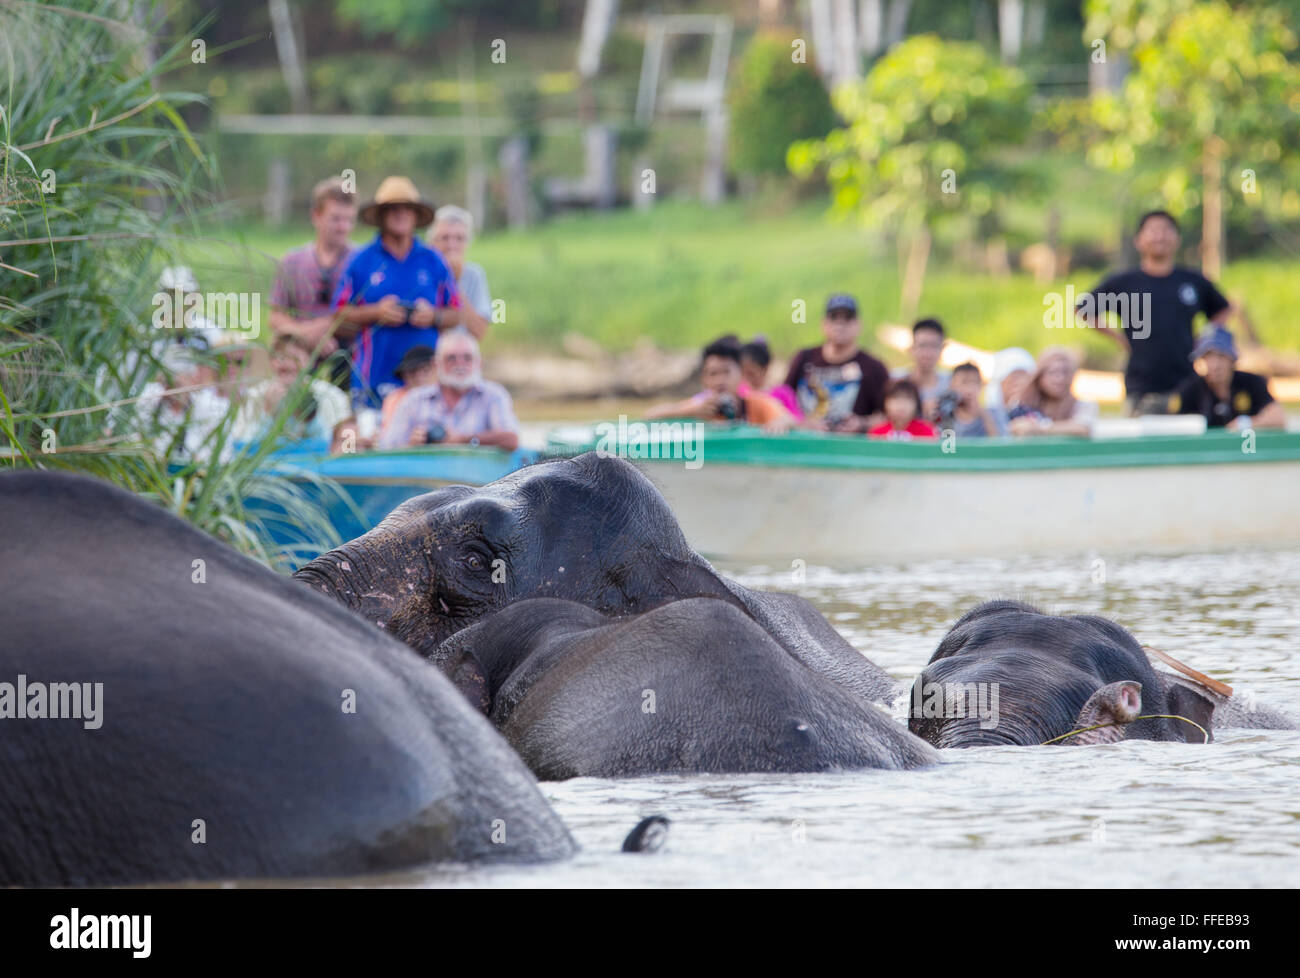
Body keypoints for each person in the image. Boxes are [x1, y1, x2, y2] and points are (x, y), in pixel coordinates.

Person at [331, 175, 464, 421]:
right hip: (373, 376)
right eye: (392, 209)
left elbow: (456, 313)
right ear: (381, 215)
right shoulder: (361, 261)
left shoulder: (433, 261)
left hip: (426, 377)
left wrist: (432, 316)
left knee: (424, 436)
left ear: (415, 215)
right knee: (373, 441)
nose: (400, 214)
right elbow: (338, 316)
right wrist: (375, 312)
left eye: (407, 209)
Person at [1075, 210, 1231, 414]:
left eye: (1166, 230)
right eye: (1152, 230)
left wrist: (1203, 340)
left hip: (1186, 383)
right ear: (1138, 240)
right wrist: (1118, 337)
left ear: (1177, 239)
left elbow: (1224, 309)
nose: (1160, 236)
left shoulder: (1192, 280)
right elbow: (1083, 309)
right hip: (1140, 385)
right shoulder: (1124, 282)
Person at [268, 177, 359, 387]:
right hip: (299, 358)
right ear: (316, 216)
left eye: (349, 220)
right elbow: (275, 315)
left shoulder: (360, 261)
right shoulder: (293, 261)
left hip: (348, 357)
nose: (343, 227)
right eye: (335, 219)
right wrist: (305, 336)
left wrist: (326, 328)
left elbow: (366, 312)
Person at [378, 329, 519, 451]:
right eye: (451, 358)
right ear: (436, 364)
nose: (460, 364)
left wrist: (464, 440)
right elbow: (385, 448)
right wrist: (410, 444)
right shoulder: (414, 399)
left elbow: (511, 439)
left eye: (467, 358)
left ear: (478, 363)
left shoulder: (493, 395)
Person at [784, 294, 889, 432]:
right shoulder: (804, 358)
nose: (840, 325)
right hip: (805, 443)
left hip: (849, 448)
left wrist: (862, 423)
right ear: (824, 324)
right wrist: (801, 422)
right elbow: (782, 400)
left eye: (847, 319)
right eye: (834, 318)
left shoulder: (873, 367)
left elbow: (890, 414)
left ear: (858, 325)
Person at [233, 334, 353, 452]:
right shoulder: (253, 396)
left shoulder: (331, 395)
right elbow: (242, 446)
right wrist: (267, 412)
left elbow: (345, 447)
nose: (288, 365)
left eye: (295, 359)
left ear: (310, 361)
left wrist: (311, 418)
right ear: (270, 362)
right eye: (281, 358)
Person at [645, 336, 793, 431]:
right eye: (713, 374)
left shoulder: (756, 404)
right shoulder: (701, 406)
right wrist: (690, 413)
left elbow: (787, 417)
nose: (720, 380)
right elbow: (650, 416)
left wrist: (781, 423)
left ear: (742, 374)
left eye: (726, 372)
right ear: (704, 379)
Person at [1169, 326, 1285, 430]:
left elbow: (1278, 417)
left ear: (1232, 358)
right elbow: (1173, 426)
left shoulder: (1252, 383)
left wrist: (1248, 424)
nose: (1215, 365)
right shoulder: (1190, 389)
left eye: (1221, 356)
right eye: (1208, 356)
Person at [428, 205, 491, 340]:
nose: (452, 245)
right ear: (432, 243)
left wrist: (454, 284)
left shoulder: (474, 274)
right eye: (445, 238)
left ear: (467, 243)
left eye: (459, 238)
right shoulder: (423, 273)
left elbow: (479, 332)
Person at [1007, 348, 1098, 438]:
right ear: (1040, 377)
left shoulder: (1082, 405)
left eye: (1065, 373)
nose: (1059, 379)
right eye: (1052, 373)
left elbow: (1082, 428)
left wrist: (1039, 427)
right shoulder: (1023, 406)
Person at [891, 318, 951, 421]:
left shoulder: (951, 383)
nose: (928, 354)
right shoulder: (895, 380)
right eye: (922, 346)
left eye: (934, 346)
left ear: (943, 348)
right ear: (911, 348)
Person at [380, 344, 436, 439]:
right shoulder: (395, 399)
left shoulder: (449, 394)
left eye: (425, 370)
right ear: (404, 376)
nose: (419, 377)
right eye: (412, 372)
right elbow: (388, 437)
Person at [738, 337, 801, 419]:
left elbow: (797, 420)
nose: (747, 378)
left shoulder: (783, 394)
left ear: (765, 368)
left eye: (752, 374)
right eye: (743, 374)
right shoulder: (739, 392)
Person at [938, 362, 1000, 437]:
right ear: (951, 385)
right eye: (964, 382)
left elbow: (999, 443)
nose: (970, 389)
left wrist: (984, 415)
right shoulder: (943, 415)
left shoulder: (994, 413)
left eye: (975, 382)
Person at [986, 346, 1037, 434]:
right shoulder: (987, 414)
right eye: (1014, 376)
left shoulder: (1038, 412)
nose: (1018, 382)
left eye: (1023, 375)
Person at [868, 379, 937, 440]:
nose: (901, 404)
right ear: (885, 403)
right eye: (895, 398)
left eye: (907, 398)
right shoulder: (876, 433)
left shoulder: (926, 432)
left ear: (917, 404)